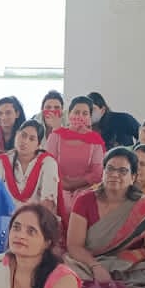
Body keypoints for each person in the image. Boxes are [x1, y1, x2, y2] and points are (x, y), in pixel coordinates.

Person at [65, 148, 145, 288]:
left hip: (129, 268)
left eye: (122, 171)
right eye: (110, 169)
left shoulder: (144, 206)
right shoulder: (84, 200)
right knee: (66, 271)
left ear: (133, 177)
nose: (114, 174)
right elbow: (74, 246)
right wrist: (95, 266)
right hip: (87, 264)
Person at [46, 96, 105, 228]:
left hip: (85, 190)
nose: (80, 116)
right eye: (76, 112)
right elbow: (49, 165)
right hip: (58, 187)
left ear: (90, 117)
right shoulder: (56, 136)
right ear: (69, 114)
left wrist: (73, 185)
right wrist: (64, 184)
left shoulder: (95, 140)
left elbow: (97, 173)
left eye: (85, 113)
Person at [0, 119, 60, 212]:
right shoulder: (1, 161)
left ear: (38, 145)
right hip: (5, 217)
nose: (25, 141)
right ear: (16, 134)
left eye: (32, 139)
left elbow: (48, 203)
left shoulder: (48, 163)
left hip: (37, 216)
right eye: (23, 135)